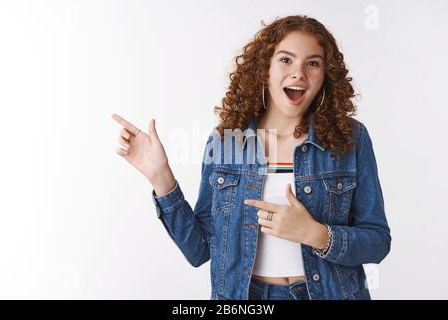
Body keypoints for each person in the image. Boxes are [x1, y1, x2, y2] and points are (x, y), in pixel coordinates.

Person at [112, 15, 391, 300]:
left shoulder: (350, 138)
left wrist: (315, 234)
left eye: (313, 63)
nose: (299, 73)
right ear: (264, 69)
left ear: (325, 75)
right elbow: (199, 251)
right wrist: (161, 178)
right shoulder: (226, 141)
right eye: (286, 60)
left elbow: (377, 241)